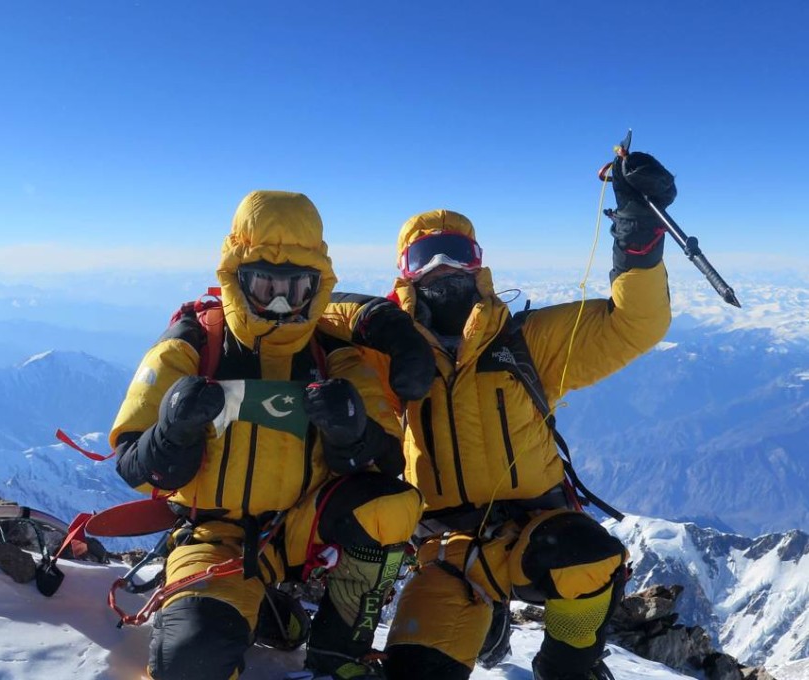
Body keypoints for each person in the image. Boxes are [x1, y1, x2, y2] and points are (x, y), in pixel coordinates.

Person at [329, 152, 675, 679]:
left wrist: (637, 231)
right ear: (404, 273)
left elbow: (636, 323)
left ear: (478, 263)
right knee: (417, 671)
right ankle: (484, 621)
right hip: (448, 551)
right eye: (423, 256)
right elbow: (309, 320)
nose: (440, 268)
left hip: (539, 530)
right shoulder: (386, 354)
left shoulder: (526, 341)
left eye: (455, 253)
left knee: (586, 553)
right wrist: (375, 318)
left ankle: (569, 665)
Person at [108, 190, 428, 680]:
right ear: (237, 279)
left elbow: (386, 464)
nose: (280, 302)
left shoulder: (334, 357)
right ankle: (257, 611)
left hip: (301, 529)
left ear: (317, 287)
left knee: (391, 504)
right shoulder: (193, 346)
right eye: (264, 285)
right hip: (215, 536)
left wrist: (353, 434)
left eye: (296, 289)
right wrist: (172, 428)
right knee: (190, 659)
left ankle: (339, 655)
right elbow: (135, 466)